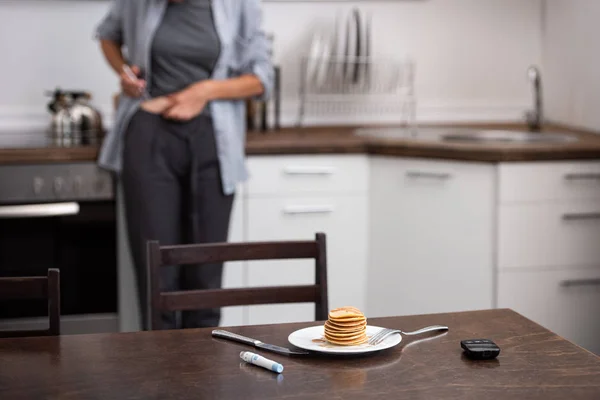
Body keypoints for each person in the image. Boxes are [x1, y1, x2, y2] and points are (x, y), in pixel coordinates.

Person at [95, 0, 273, 330]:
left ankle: (203, 379)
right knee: (157, 276)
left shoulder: (240, 5)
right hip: (149, 137)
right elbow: (107, 35)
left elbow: (262, 80)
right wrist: (124, 71)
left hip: (213, 143)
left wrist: (204, 91)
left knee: (205, 275)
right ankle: (158, 379)